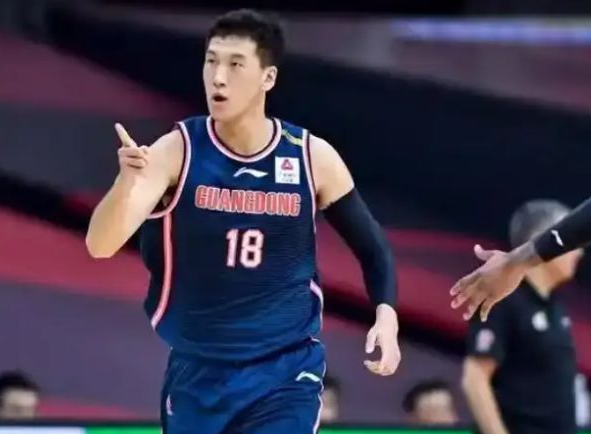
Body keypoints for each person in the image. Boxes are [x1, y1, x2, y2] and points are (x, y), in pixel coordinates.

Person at [85, 9, 401, 434]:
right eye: (211, 61)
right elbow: (100, 245)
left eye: (235, 65)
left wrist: (386, 314)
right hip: (198, 368)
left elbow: (372, 247)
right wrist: (125, 185)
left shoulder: (310, 156)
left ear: (267, 78)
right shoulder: (175, 151)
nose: (218, 77)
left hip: (285, 368)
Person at [450, 161, 591, 321]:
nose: (580, 253)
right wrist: (516, 261)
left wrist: (516, 261)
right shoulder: (514, 310)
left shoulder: (554, 312)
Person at [462, 200, 582, 434]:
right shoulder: (503, 298)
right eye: (571, 240)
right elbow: (475, 379)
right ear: (543, 241)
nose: (579, 251)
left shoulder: (554, 307)